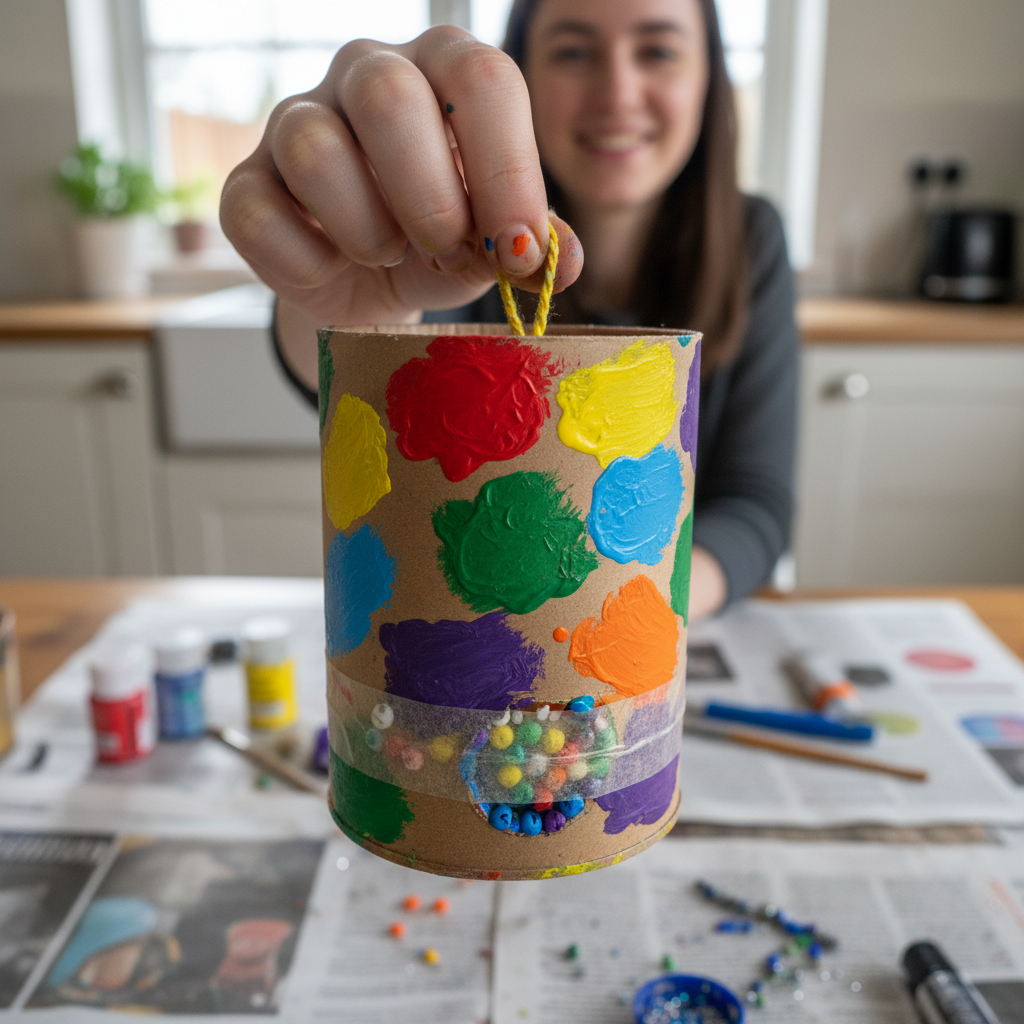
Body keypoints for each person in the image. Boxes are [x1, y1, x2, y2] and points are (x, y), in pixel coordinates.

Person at [220, 0, 799, 619]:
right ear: (520, 79)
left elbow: (755, 505)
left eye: (657, 50)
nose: (619, 94)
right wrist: (341, 291)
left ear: (709, 77)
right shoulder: (452, 245)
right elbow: (363, 392)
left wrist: (631, 608)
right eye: (573, 52)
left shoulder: (752, 238)